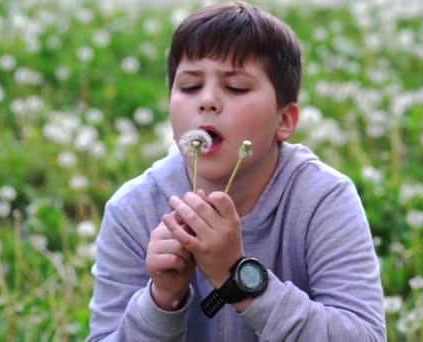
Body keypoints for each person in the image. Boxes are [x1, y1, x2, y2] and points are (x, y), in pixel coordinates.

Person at [86, 1, 386, 341]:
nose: (208, 101)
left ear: (284, 120)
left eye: (236, 87)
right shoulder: (133, 209)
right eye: (189, 86)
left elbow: (365, 335)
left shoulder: (322, 200)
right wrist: (162, 298)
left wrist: (239, 279)